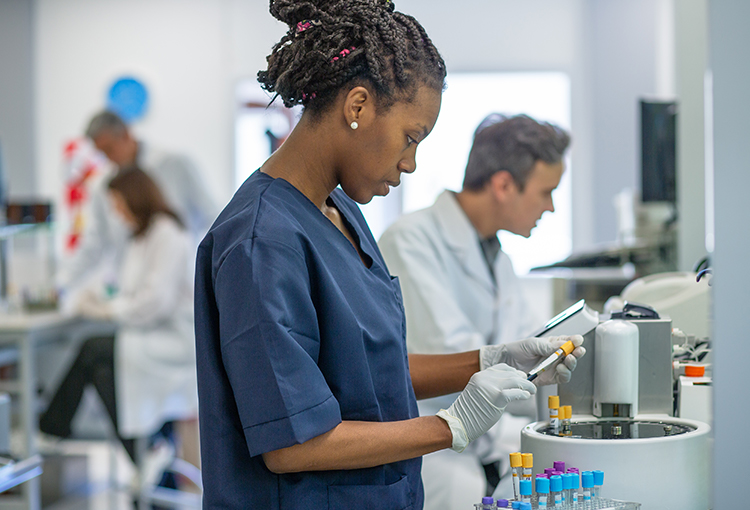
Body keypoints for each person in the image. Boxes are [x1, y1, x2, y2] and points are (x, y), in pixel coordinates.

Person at [194, 1, 585, 508]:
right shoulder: (261, 240)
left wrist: (488, 359)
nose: (411, 163)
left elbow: (369, 374)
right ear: (357, 106)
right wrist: (451, 426)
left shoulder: (339, 211)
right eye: (410, 137)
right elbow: (293, 444)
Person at [378, 113, 572, 508]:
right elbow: (456, 355)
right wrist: (527, 371)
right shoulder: (412, 241)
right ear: (503, 184)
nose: (550, 207)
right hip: (437, 458)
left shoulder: (498, 258)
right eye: (546, 191)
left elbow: (525, 346)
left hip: (487, 452)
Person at [41, 167, 198, 486]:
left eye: (118, 203)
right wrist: (102, 298)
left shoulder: (168, 233)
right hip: (147, 336)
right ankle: (149, 453)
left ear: (135, 198)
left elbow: (155, 301)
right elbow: (130, 291)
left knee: (93, 348)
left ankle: (50, 428)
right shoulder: (140, 237)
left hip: (173, 343)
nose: (116, 211)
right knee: (100, 370)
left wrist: (106, 312)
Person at [57, 110, 219, 294]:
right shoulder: (103, 186)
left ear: (126, 134)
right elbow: (93, 243)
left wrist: (210, 271)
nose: (108, 158)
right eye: (101, 153)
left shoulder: (174, 165)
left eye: (110, 149)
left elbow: (213, 218)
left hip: (177, 292)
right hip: (131, 294)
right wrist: (62, 283)